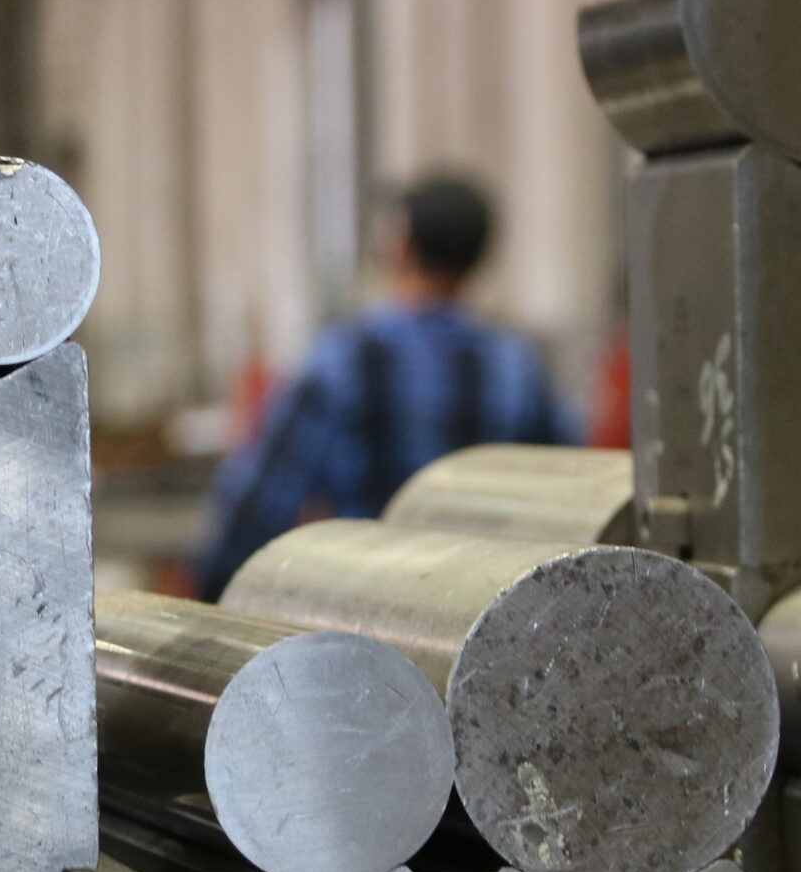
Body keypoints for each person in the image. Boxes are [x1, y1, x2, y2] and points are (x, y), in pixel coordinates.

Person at [193, 176, 577, 600]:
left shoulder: (344, 360)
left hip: (368, 605)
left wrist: (213, 587)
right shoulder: (514, 366)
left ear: (402, 244)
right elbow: (568, 492)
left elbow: (260, 501)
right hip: (486, 608)